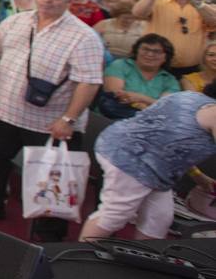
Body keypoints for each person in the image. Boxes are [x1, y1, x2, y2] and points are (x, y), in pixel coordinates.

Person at [0, 0, 104, 223]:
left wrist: (69, 119)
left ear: (69, 0)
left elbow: (89, 82)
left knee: (52, 177)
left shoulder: (84, 37)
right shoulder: (18, 20)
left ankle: (48, 233)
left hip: (51, 121)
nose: (48, 0)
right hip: (5, 111)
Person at [78, 88, 216, 241]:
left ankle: (146, 258)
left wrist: (198, 175)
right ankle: (79, 258)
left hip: (145, 160)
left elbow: (175, 144)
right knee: (114, 214)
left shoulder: (192, 97)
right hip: (131, 158)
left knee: (159, 218)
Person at [130, 0, 216, 76]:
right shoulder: (157, 2)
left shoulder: (203, 7)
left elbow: (213, 20)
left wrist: (195, 0)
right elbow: (137, 13)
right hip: (156, 67)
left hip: (190, 70)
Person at [98, 33, 181, 119]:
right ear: (136, 50)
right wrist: (151, 104)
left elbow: (165, 107)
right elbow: (115, 95)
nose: (149, 54)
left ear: (166, 57)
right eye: (145, 49)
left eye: (156, 52)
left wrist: (142, 98)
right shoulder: (120, 65)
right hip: (111, 119)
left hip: (149, 125)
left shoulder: (170, 80)